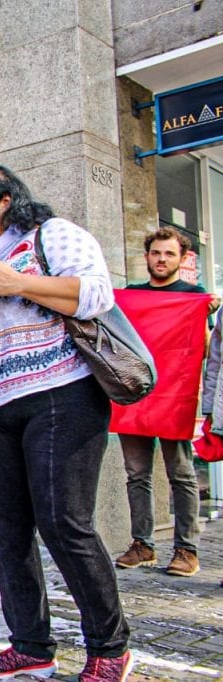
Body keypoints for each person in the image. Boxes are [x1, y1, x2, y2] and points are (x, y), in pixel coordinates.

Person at [0, 165, 131, 681]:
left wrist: (19, 282)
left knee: (64, 524)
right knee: (4, 533)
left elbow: (95, 296)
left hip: (61, 395)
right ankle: (29, 643)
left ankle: (110, 648)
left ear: (4, 200)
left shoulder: (55, 236)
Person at [114, 226, 217, 578]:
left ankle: (187, 550)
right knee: (136, 474)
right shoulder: (130, 296)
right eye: (156, 253)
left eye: (169, 254)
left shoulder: (194, 295)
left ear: (182, 259)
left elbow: (203, 350)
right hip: (135, 393)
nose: (161, 259)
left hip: (174, 395)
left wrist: (204, 314)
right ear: (147, 257)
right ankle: (143, 544)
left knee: (182, 474)